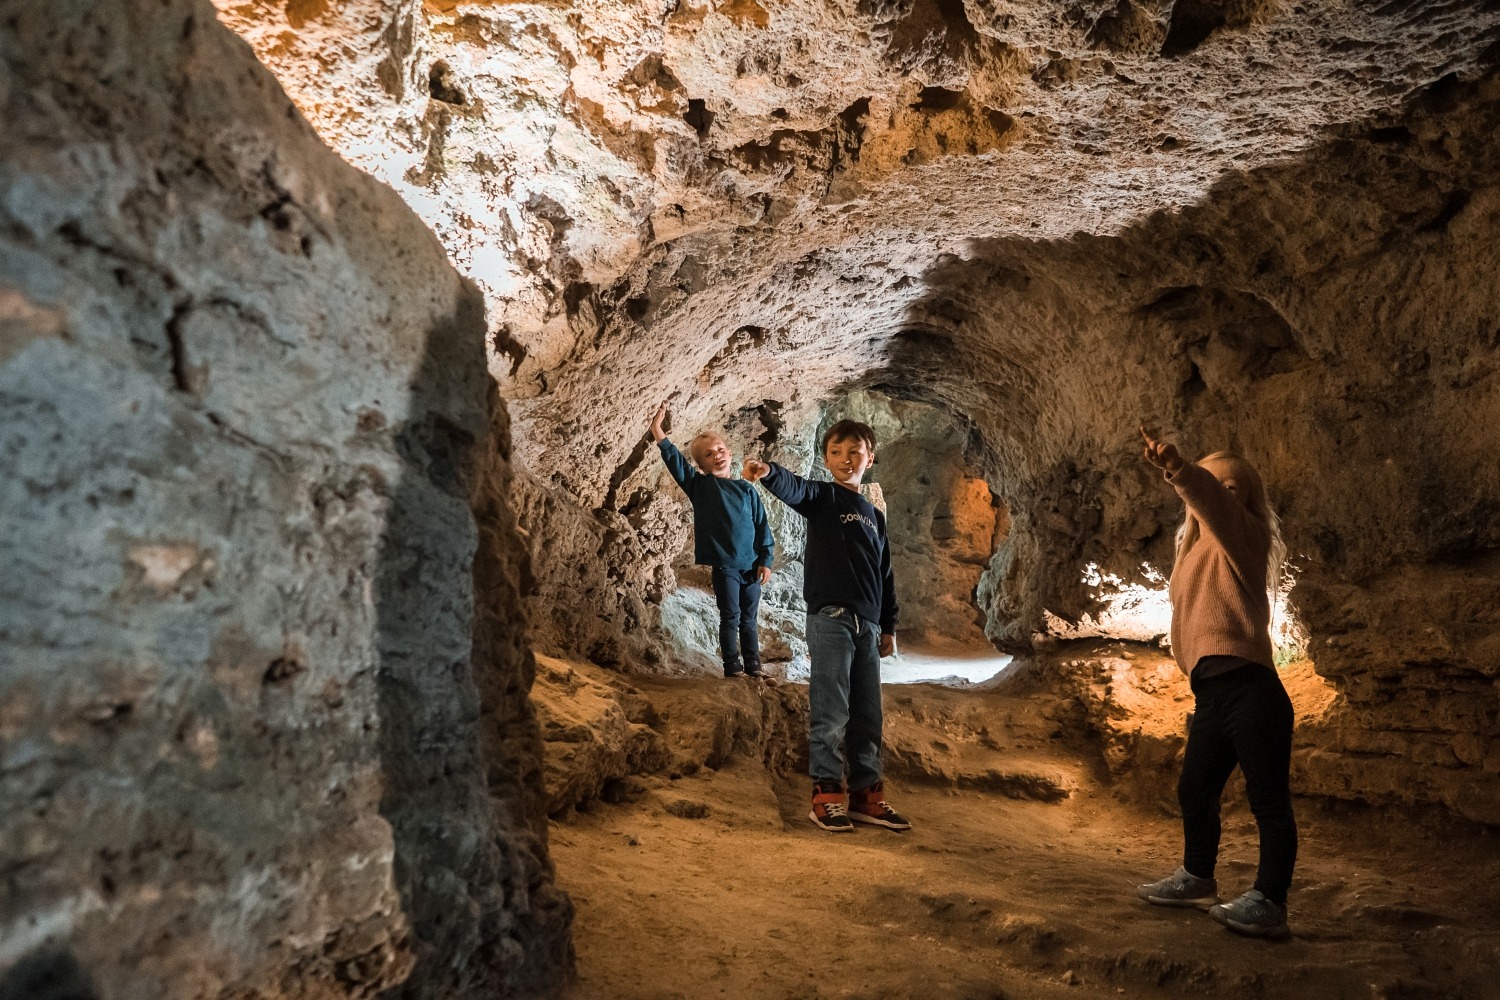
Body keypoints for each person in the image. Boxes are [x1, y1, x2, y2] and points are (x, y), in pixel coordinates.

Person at [1135, 428, 1296, 938]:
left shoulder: (1245, 535)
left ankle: (1270, 902)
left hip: (1251, 689)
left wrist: (1180, 468)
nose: (1222, 492)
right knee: (1194, 789)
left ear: (1246, 500)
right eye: (1215, 482)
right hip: (1214, 693)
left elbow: (1211, 503)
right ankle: (1198, 878)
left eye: (1233, 487)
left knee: (1268, 800)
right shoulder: (1190, 554)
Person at [743, 419, 908, 834]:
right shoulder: (824, 496)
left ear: (870, 459)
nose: (845, 459)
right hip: (830, 619)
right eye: (836, 452)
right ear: (826, 458)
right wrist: (770, 473)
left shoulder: (875, 517)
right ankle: (826, 795)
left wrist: (888, 625)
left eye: (855, 452)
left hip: (868, 626)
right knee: (831, 711)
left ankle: (867, 796)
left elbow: (885, 575)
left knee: (868, 715)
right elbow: (796, 488)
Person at [651, 403, 774, 678]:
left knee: (749, 620)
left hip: (751, 568)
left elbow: (762, 527)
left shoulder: (747, 490)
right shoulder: (702, 487)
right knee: (730, 617)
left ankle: (754, 667)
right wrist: (659, 431)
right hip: (726, 567)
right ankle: (733, 668)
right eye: (708, 454)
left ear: (730, 454)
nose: (716, 455)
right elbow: (676, 463)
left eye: (720, 450)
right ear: (701, 465)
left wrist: (766, 560)